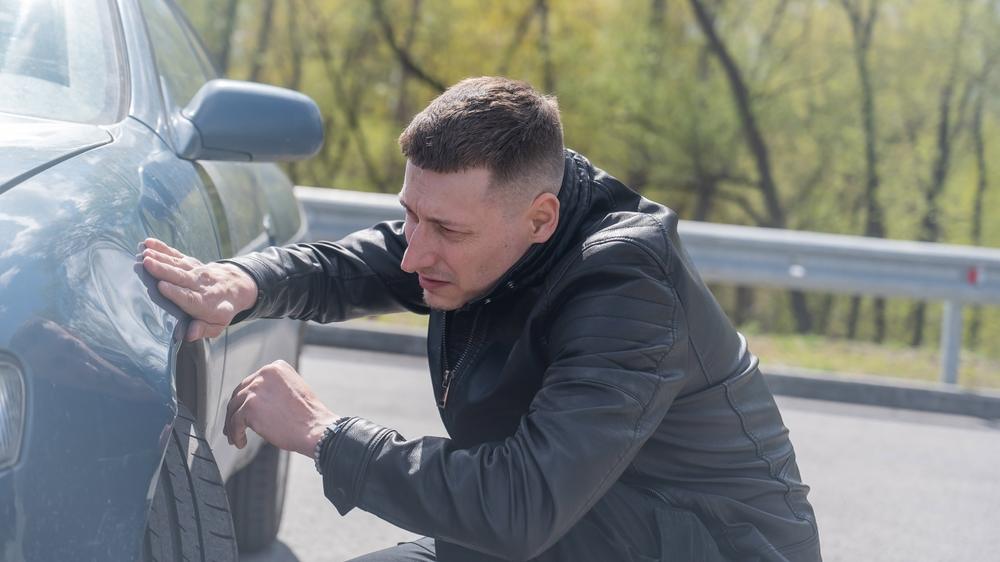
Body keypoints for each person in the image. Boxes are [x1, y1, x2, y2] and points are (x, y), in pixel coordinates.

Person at [141, 76, 821, 561]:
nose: (415, 250)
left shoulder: (627, 289)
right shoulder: (483, 233)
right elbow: (357, 264)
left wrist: (327, 434)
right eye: (410, 213)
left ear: (540, 218)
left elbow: (519, 506)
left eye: (445, 229)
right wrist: (243, 281)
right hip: (577, 534)